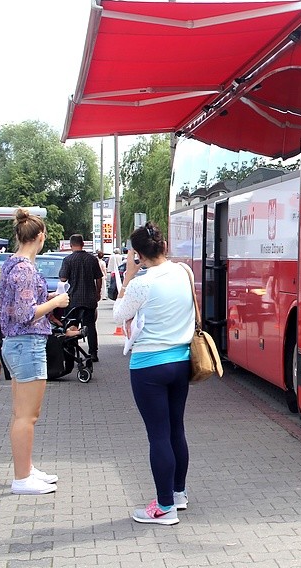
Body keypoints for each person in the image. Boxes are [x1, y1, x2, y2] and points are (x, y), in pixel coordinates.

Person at [113, 222, 194, 525]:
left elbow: (119, 314)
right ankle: (178, 494)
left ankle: (164, 508)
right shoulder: (184, 272)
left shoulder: (141, 283)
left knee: (158, 435)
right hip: (181, 360)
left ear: (137, 253)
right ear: (163, 245)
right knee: (176, 429)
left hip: (149, 366)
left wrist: (130, 274)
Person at [0, 208, 70, 495]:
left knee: (20, 414)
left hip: (15, 344)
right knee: (28, 415)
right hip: (27, 344)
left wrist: (48, 299)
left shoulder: (10, 264)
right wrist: (56, 302)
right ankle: (22, 478)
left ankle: (25, 469)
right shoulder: (26, 270)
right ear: (40, 237)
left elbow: (15, 308)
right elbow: (27, 314)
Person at [58, 234, 103, 362]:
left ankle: (71, 352)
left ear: (71, 245)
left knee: (72, 325)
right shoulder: (92, 259)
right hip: (89, 298)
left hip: (73, 299)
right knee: (90, 326)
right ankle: (93, 353)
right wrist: (98, 292)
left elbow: (63, 278)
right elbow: (98, 278)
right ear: (83, 244)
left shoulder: (68, 260)